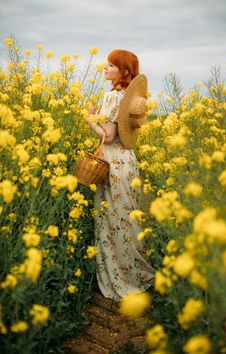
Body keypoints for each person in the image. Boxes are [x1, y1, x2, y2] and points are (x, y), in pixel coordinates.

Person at [86, 49, 155, 301]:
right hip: (127, 162)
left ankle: (119, 279)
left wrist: (89, 118)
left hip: (112, 163)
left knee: (110, 222)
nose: (105, 68)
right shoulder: (127, 96)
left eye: (111, 65)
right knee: (126, 220)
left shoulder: (113, 96)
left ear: (124, 72)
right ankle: (133, 274)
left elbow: (109, 135)